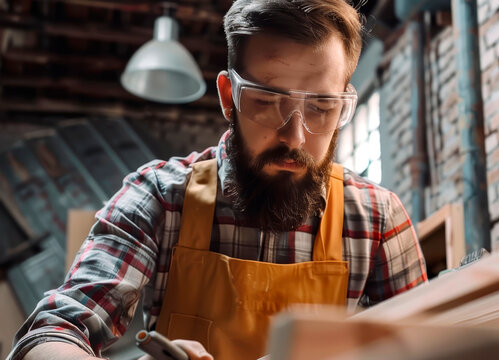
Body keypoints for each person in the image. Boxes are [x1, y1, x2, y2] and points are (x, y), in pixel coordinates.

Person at [9, 1, 427, 359]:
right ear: (229, 97)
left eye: (321, 108)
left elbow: (430, 347)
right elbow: (54, 330)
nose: (295, 137)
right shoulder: (159, 196)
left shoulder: (377, 218)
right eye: (267, 101)